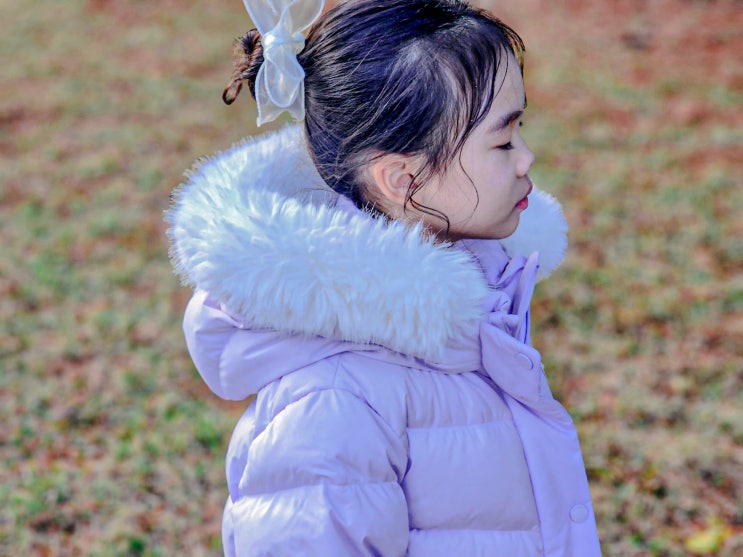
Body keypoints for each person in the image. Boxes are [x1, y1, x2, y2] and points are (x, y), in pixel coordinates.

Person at [166, 0, 602, 555]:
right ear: (401, 180)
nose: (527, 158)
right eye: (503, 141)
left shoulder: (474, 300)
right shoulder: (334, 402)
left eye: (521, 129)